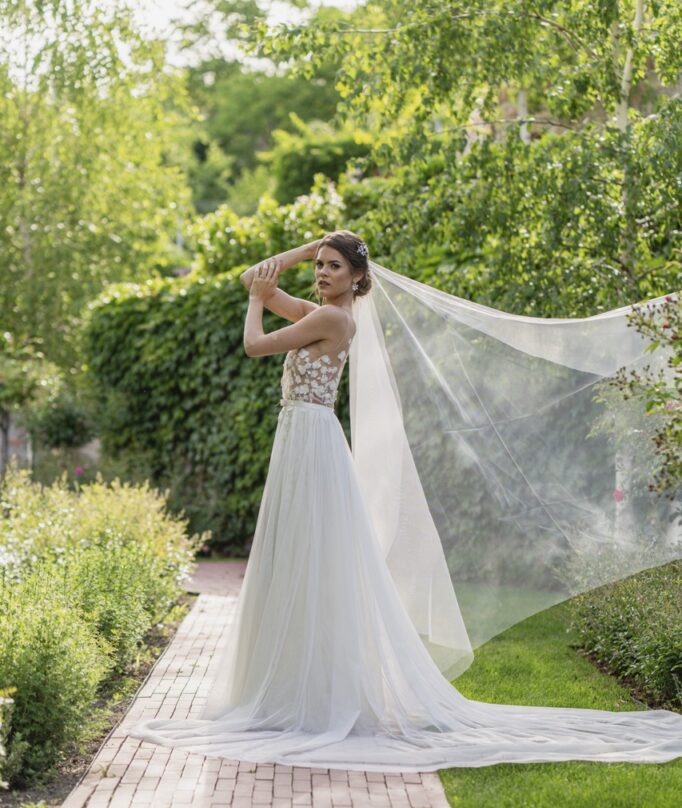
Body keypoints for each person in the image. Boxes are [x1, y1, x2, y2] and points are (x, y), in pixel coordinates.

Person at [122, 230, 682, 771]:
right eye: (319, 264)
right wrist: (307, 246)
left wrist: (254, 302)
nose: (321, 272)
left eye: (333, 266)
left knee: (315, 556)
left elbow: (252, 345)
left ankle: (315, 693)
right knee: (303, 557)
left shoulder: (333, 318)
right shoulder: (322, 312)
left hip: (312, 443)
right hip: (301, 439)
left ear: (357, 278)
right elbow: (255, 277)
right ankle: (299, 685)